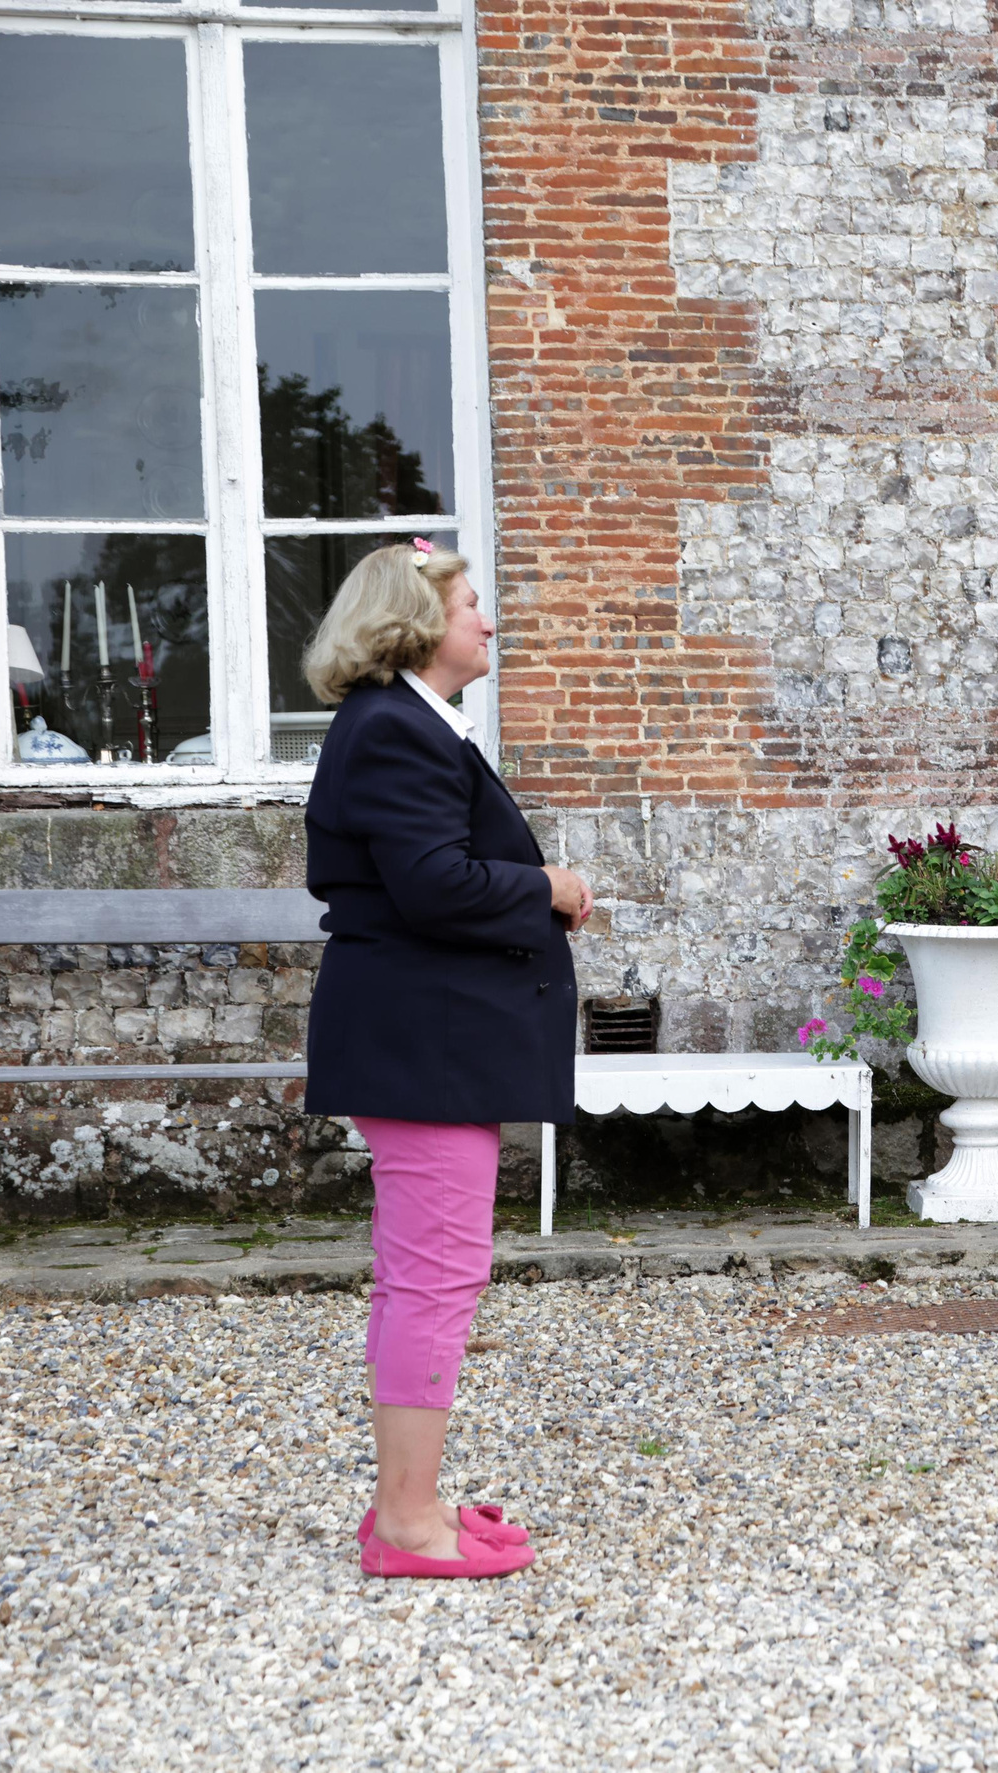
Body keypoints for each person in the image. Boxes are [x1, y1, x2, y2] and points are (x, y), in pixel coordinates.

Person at [302, 539, 592, 1576]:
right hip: (423, 1044)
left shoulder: (405, 724)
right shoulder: (394, 728)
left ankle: (404, 1503)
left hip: (425, 1040)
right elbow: (434, 884)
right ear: (418, 623)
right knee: (435, 1280)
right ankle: (409, 1527)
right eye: (471, 603)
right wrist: (548, 887)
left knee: (416, 1278)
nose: (488, 620)